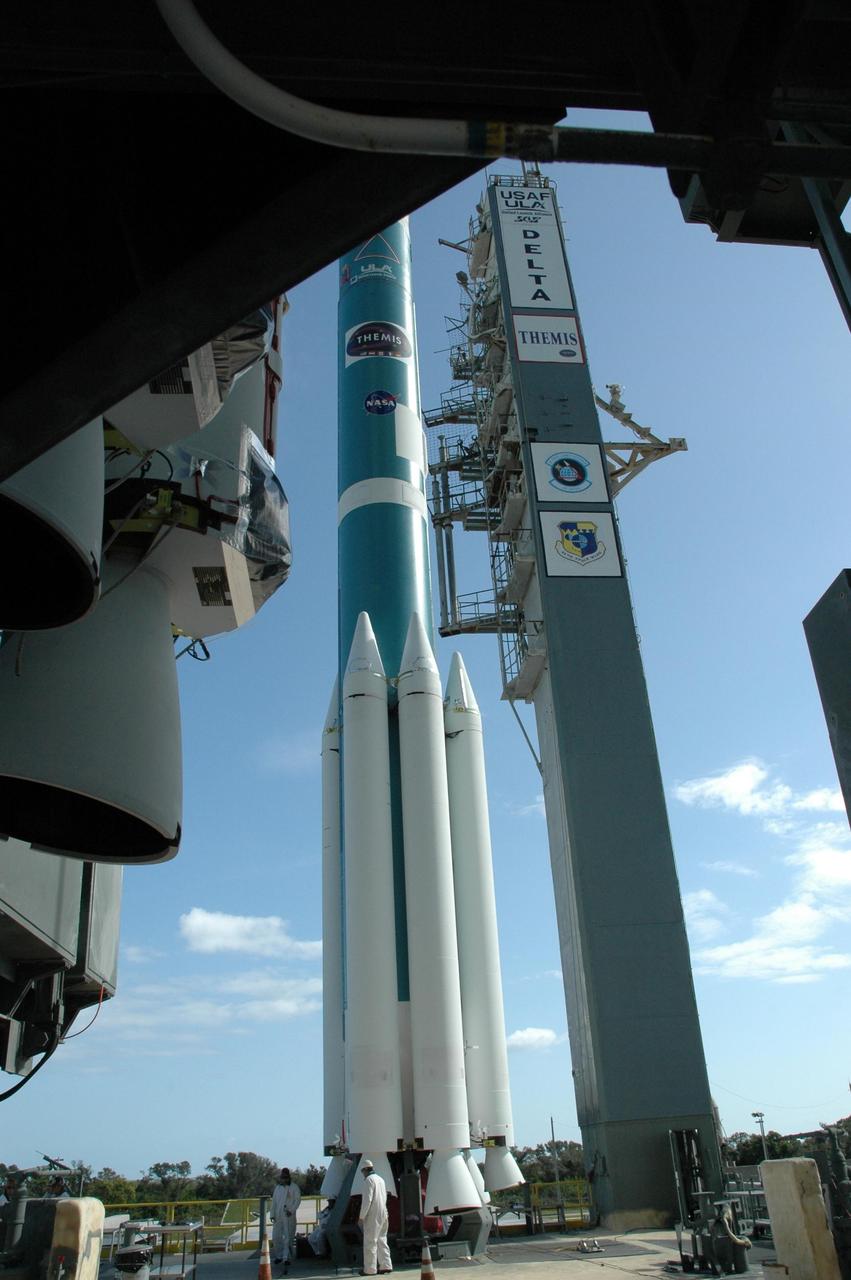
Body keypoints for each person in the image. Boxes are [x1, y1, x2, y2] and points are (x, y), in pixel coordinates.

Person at [358, 1160, 391, 1276]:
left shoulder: (368, 1180)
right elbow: (384, 1198)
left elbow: (367, 1200)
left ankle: (370, 1269)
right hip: (383, 1212)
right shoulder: (381, 1179)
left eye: (362, 1171)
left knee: (370, 1242)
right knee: (382, 1240)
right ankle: (386, 1265)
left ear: (365, 1170)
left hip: (373, 1214)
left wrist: (361, 1217)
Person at [270, 1167, 301, 1271]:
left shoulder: (294, 1187)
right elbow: (274, 1202)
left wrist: (291, 1211)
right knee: (276, 1236)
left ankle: (286, 1257)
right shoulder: (277, 1188)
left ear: (289, 1177)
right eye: (282, 1177)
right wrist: (272, 1215)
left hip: (288, 1216)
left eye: (286, 1177)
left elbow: (297, 1200)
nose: (284, 1179)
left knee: (287, 1237)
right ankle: (279, 1255)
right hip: (278, 1216)